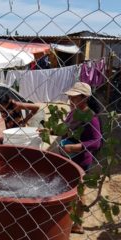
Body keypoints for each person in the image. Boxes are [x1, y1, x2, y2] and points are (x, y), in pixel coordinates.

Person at [40, 82, 102, 234]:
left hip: (81, 160)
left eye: (74, 96)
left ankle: (78, 224)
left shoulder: (91, 118)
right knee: (68, 188)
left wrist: (76, 147)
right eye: (70, 96)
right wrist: (49, 130)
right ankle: (68, 216)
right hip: (68, 157)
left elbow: (96, 141)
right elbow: (65, 130)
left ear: (85, 97)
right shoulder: (74, 113)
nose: (70, 98)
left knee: (79, 191)